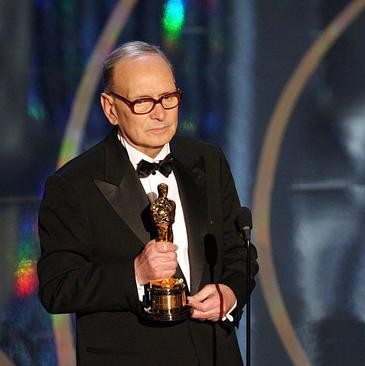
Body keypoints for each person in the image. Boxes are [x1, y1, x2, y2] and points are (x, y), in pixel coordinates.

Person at [37, 41, 257, 365]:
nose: (160, 113)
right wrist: (135, 273)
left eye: (168, 98)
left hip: (214, 354)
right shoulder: (72, 185)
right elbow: (57, 288)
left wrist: (230, 293)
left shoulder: (208, 161)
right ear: (110, 108)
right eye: (142, 101)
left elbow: (238, 250)